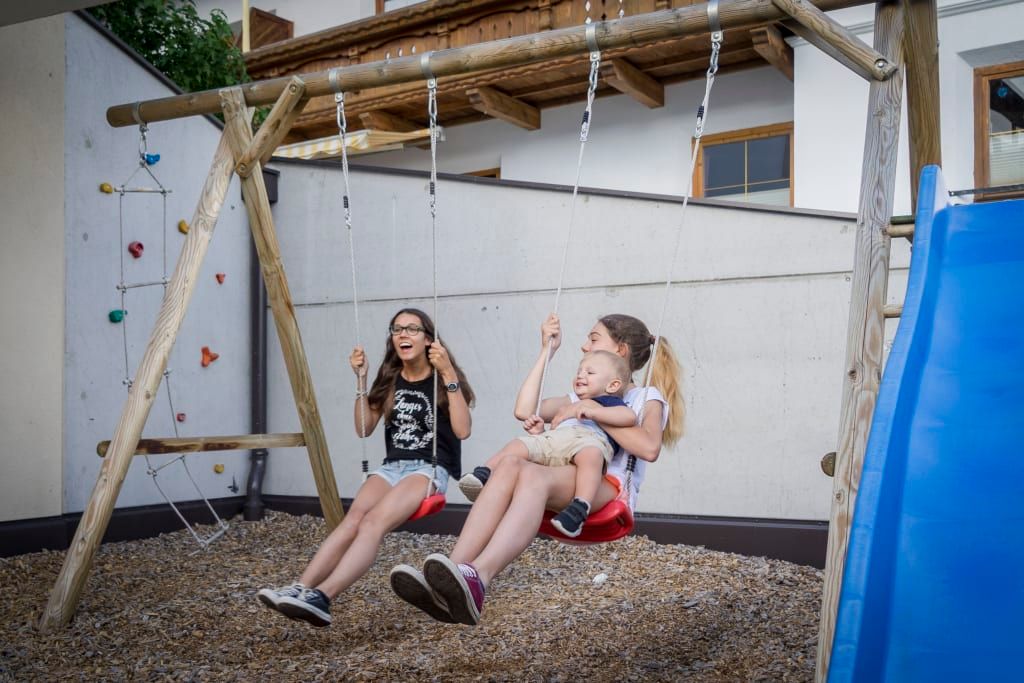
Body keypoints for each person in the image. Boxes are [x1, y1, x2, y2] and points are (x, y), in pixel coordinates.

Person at [390, 312, 684, 625]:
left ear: (620, 350)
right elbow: (524, 409)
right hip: (564, 471)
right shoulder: (578, 395)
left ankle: (479, 576)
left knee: (531, 474)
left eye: (594, 339)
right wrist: (547, 351)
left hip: (604, 487)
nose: (584, 346)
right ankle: (451, 574)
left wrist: (591, 410)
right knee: (510, 463)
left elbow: (649, 447)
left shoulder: (644, 397)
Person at [256, 308, 474, 627]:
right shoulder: (390, 379)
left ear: (428, 339)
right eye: (397, 329)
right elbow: (363, 427)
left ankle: (323, 596)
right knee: (352, 520)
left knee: (373, 523)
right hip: (391, 468)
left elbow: (462, 430)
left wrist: (449, 373)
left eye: (412, 328)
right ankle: (301, 588)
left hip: (427, 470)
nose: (403, 334)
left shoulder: (443, 380)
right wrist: (360, 379)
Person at [458, 349, 636, 537]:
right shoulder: (572, 402)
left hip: (589, 441)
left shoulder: (609, 402)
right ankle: (484, 473)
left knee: (591, 457)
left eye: (590, 372)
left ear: (613, 385)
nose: (580, 375)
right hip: (556, 440)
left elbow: (628, 416)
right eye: (579, 371)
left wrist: (593, 412)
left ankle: (580, 506)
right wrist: (541, 432)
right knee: (519, 444)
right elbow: (554, 438)